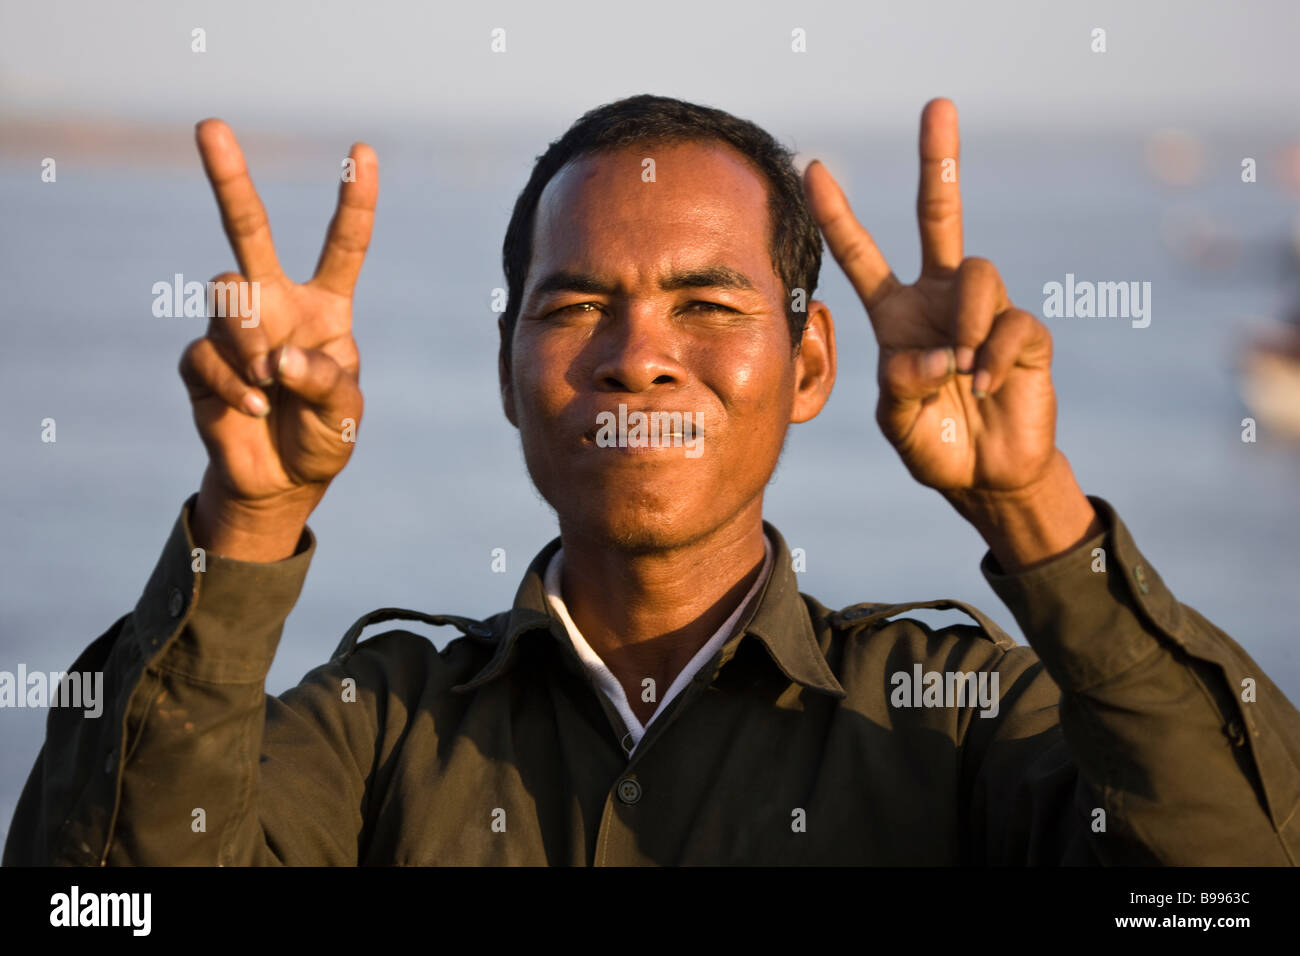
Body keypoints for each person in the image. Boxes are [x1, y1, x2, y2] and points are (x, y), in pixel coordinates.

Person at [6, 94, 1298, 866]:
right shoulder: (375, 730)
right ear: (508, 372)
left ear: (808, 367)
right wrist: (244, 528)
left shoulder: (951, 719)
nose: (639, 359)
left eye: (706, 302)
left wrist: (1035, 512)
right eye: (575, 305)